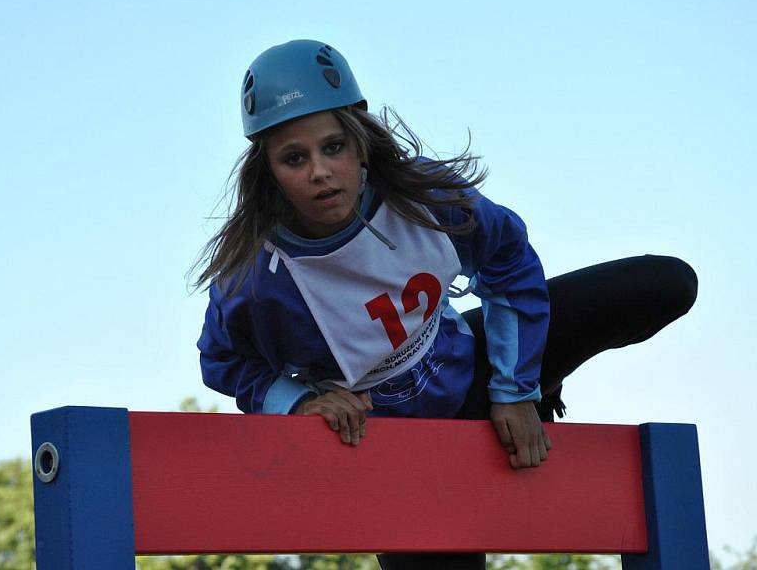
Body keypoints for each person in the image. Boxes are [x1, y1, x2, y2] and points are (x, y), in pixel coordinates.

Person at [193, 39, 698, 570]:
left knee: (664, 283)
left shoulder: (423, 197)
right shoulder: (256, 278)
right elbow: (223, 361)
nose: (320, 171)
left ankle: (536, 388)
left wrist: (515, 388)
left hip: (477, 373)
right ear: (269, 170)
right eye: (295, 158)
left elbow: (509, 261)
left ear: (361, 143)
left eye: (334, 147)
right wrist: (297, 401)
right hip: (398, 454)